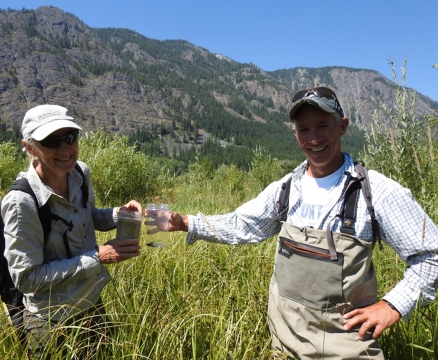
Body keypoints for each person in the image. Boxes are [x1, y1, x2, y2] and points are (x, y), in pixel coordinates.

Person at [164, 87, 438, 359]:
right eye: (304, 129)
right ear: (295, 134)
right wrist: (186, 223)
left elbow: (432, 256)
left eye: (322, 126)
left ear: (342, 126)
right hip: (283, 344)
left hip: (345, 347)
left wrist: (393, 306)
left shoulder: (377, 192)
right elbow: (242, 225)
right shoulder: (285, 188)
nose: (314, 138)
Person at [2, 104, 142, 357]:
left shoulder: (80, 172)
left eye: (70, 137)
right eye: (51, 141)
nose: (65, 149)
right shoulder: (21, 202)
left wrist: (120, 214)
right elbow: (26, 278)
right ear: (29, 147)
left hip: (91, 303)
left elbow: (89, 215)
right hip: (51, 320)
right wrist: (98, 257)